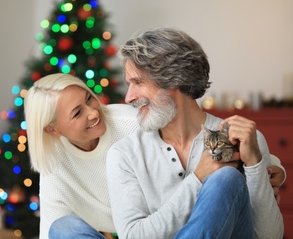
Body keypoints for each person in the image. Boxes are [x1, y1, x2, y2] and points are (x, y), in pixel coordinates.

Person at [106, 27, 284, 239]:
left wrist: (254, 164)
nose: (128, 97)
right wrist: (198, 178)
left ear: (172, 79)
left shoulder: (241, 139)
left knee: (225, 178)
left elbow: (269, 235)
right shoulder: (124, 154)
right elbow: (133, 236)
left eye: (137, 82)